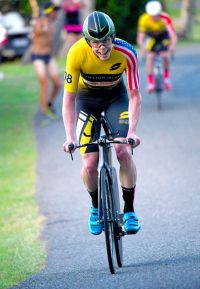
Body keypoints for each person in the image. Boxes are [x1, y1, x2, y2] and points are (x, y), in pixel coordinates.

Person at [62, 11, 141, 235]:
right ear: (87, 41)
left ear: (113, 37)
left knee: (123, 151)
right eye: (95, 43)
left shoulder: (127, 52)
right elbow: (68, 101)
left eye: (106, 40)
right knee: (89, 164)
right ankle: (95, 207)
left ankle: (129, 211)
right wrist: (69, 137)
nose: (102, 48)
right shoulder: (76, 53)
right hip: (87, 101)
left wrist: (132, 132)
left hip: (117, 98)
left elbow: (135, 95)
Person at [137, 1, 177, 93]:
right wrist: (143, 48)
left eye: (156, 15)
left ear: (159, 13)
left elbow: (173, 35)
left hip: (163, 36)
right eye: (152, 15)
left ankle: (166, 79)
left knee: (165, 56)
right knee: (150, 57)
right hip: (151, 37)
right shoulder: (144, 19)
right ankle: (150, 82)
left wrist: (171, 46)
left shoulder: (165, 18)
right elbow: (140, 37)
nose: (154, 17)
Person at [31, 1, 61, 121]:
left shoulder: (52, 22)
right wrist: (42, 27)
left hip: (48, 56)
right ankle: (44, 113)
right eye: (55, 11)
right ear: (50, 12)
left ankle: (50, 103)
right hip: (38, 56)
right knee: (44, 84)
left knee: (58, 84)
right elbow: (36, 32)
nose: (57, 14)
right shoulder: (40, 21)